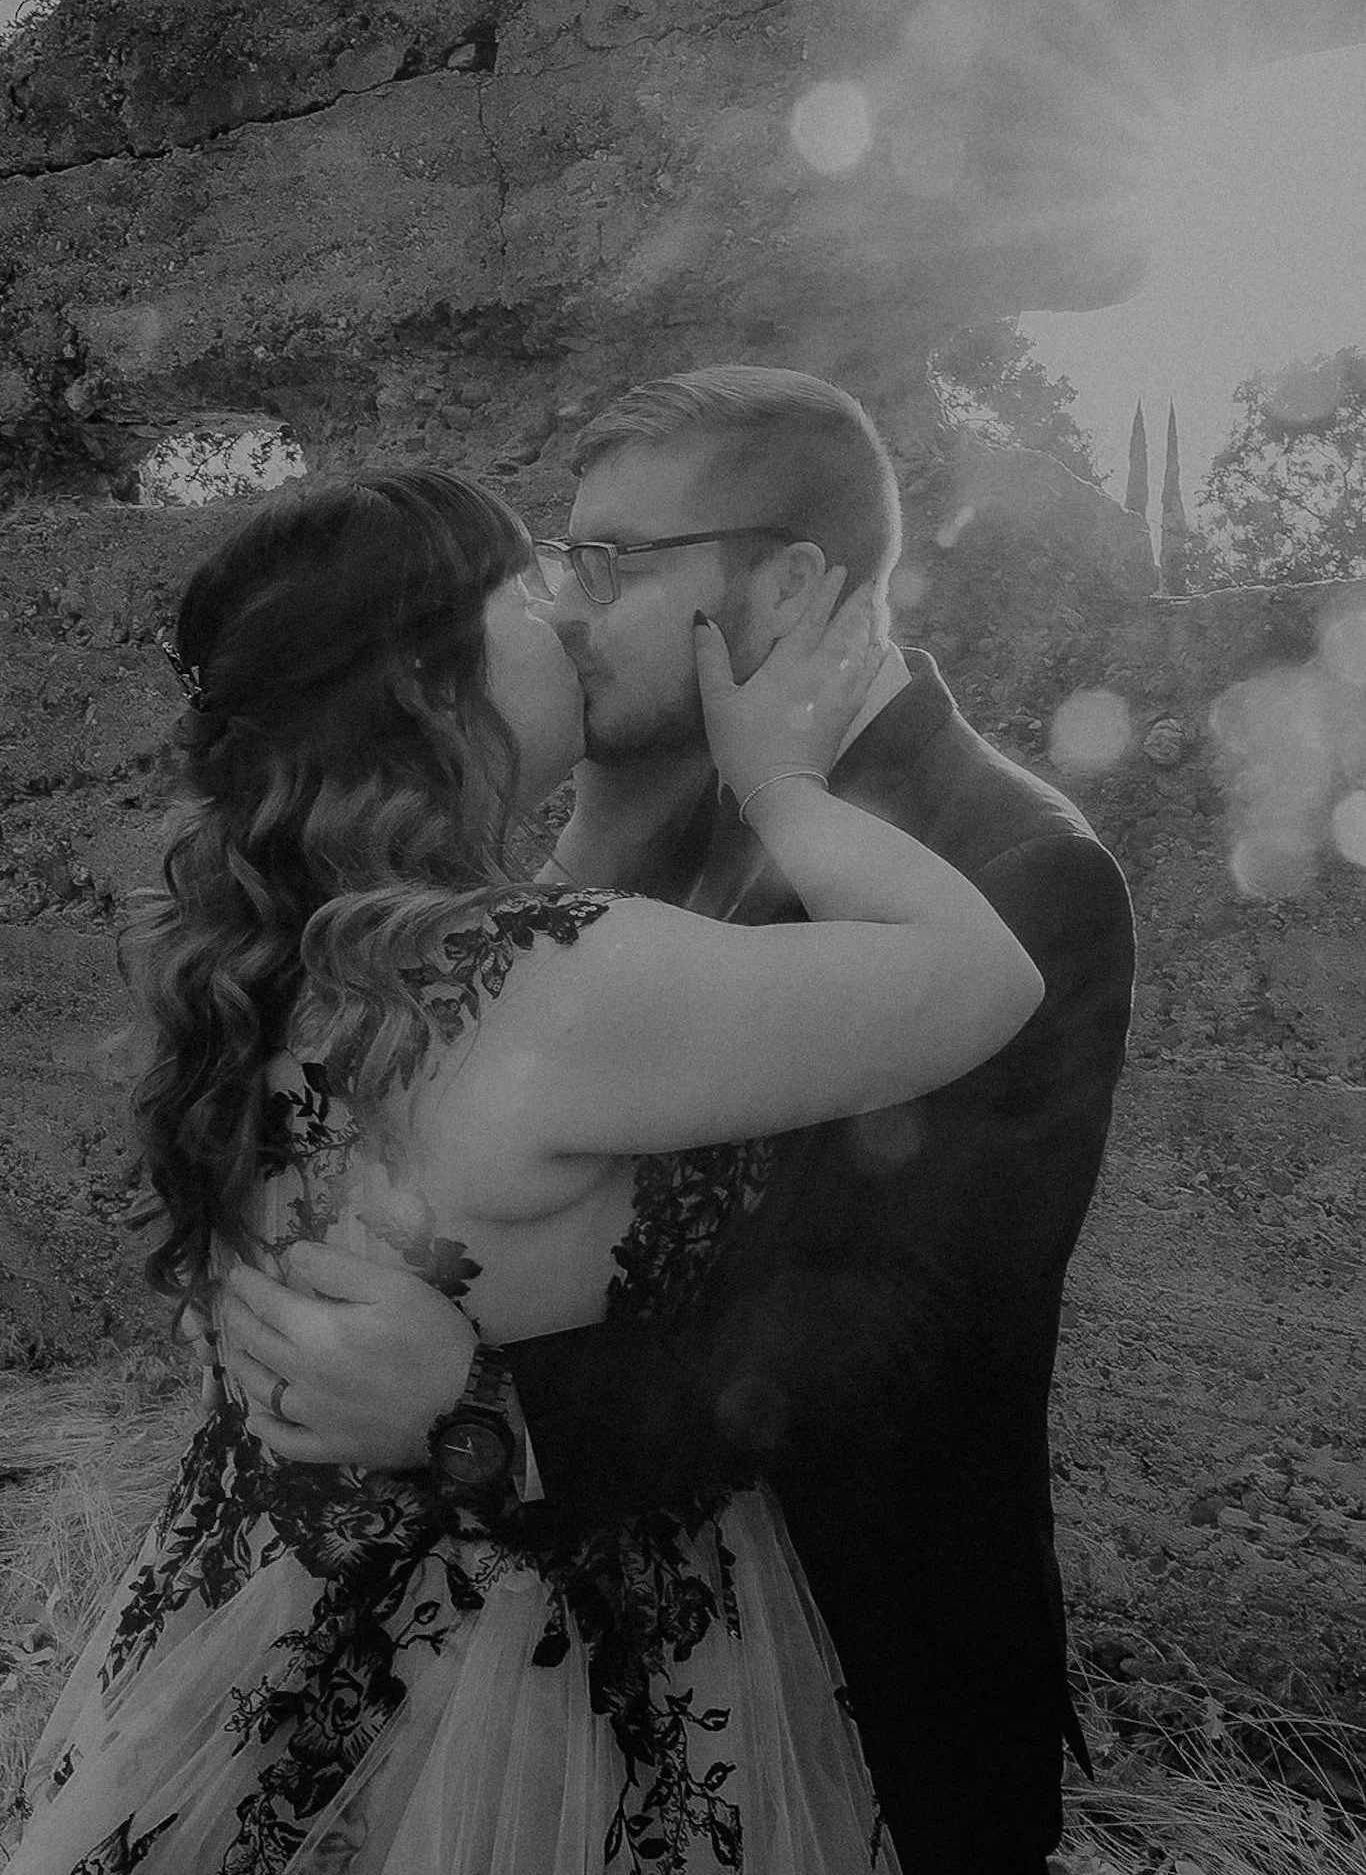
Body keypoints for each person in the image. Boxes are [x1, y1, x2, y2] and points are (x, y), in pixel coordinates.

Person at [9, 465, 1045, 1875]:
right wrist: (784, 786)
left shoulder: (274, 953)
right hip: (528, 1672)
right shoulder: (550, 981)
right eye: (522, 587)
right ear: (433, 684)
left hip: (263, 1622)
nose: (563, 610)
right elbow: (978, 978)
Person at [223, 368, 1138, 1871]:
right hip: (556, 1673)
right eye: (563, 558)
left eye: (612, 563)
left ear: (784, 583)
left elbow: (903, 1329)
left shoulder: (1020, 869)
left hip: (855, 1690)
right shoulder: (634, 802)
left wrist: (477, 1419)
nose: (568, 608)